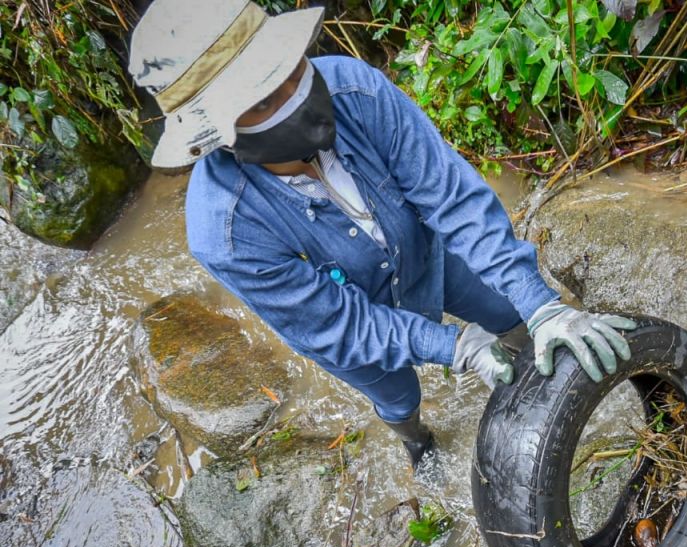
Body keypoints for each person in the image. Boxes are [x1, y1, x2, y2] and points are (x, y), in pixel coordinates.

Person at [128, 0, 636, 467]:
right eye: (262, 100)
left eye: (289, 69)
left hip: (424, 254)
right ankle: (417, 443)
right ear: (216, 136)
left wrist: (541, 304)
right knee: (397, 395)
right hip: (354, 324)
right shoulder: (226, 233)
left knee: (510, 309)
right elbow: (340, 326)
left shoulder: (354, 89)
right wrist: (455, 345)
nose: (294, 97)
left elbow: (451, 197)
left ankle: (541, 367)